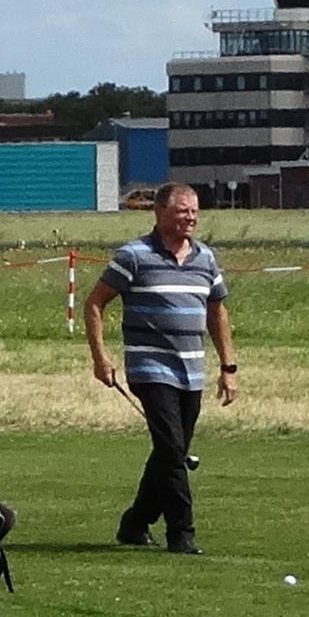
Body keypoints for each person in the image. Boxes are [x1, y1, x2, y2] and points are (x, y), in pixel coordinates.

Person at [85, 184, 236, 552]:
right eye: (183, 211)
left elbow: (217, 312)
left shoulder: (205, 259)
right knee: (172, 451)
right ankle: (181, 533)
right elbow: (94, 304)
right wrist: (100, 357)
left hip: (192, 370)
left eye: (195, 211)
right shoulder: (134, 256)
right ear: (160, 212)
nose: (191, 218)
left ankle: (135, 523)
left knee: (171, 449)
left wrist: (228, 367)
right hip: (150, 369)